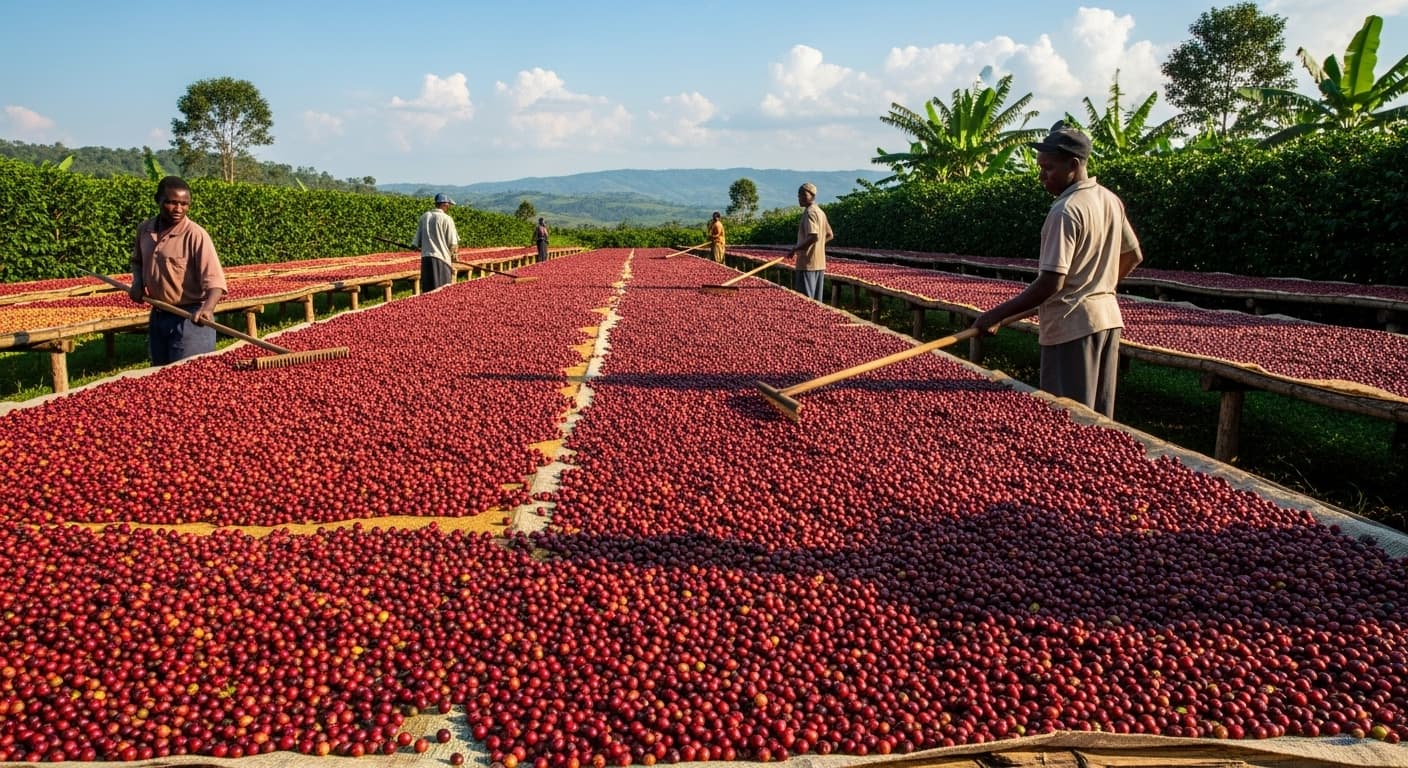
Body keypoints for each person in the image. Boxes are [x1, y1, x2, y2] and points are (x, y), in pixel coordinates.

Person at [972, 122, 1143, 419]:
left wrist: (995, 314)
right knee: (1098, 420)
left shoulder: (1066, 210)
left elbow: (1050, 283)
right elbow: (1133, 255)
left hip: (1071, 327)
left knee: (1067, 417)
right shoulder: (1109, 199)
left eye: (1048, 168)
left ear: (1073, 165)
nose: (1042, 176)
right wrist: (1099, 287)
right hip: (1107, 320)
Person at [128, 175, 227, 365]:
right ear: (157, 200)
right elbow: (137, 261)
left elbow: (215, 281)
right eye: (172, 203)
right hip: (159, 315)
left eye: (184, 204)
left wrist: (208, 308)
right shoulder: (145, 230)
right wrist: (138, 282)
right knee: (159, 374)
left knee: (190, 375)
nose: (178, 209)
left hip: (191, 318)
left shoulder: (195, 235)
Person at [789, 183, 833, 301]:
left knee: (805, 301)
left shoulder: (810, 212)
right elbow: (829, 235)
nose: (800, 198)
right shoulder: (820, 212)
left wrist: (796, 248)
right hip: (819, 264)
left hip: (807, 264)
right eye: (799, 195)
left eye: (803, 195)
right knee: (816, 303)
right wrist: (818, 247)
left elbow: (813, 236)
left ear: (812, 196)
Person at [412, 193, 459, 292]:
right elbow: (453, 244)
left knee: (428, 291)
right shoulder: (447, 219)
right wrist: (453, 256)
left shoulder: (424, 217)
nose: (449, 207)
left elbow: (416, 244)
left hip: (426, 259)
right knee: (442, 291)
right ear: (445, 204)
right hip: (441, 260)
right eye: (448, 205)